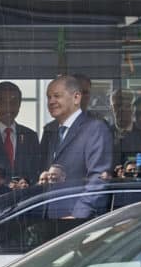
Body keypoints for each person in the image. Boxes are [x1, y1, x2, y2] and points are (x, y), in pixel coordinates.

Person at [39, 75, 112, 218]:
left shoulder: (95, 128)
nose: (51, 101)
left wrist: (78, 215)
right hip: (50, 217)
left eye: (57, 96)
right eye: (49, 97)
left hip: (77, 222)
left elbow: (99, 178)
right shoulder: (52, 130)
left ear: (76, 98)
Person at [0, 81, 40, 181]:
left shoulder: (30, 136)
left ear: (19, 105)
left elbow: (36, 170)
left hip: (25, 194)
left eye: (13, 102)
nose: (8, 107)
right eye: (3, 102)